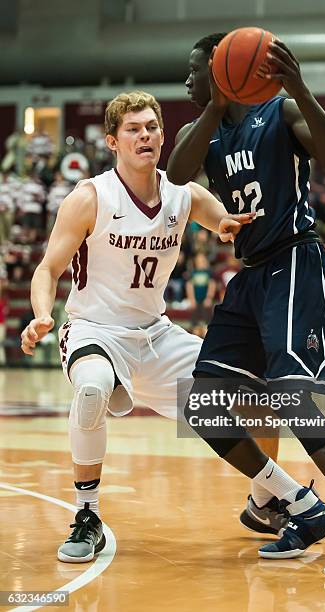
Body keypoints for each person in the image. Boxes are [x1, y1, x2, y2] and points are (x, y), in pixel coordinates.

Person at [167, 33, 325, 579]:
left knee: (288, 396)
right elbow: (179, 175)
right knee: (203, 403)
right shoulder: (198, 131)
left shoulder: (282, 112)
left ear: (222, 70)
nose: (186, 81)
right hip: (250, 276)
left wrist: (298, 86)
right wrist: (215, 105)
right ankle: (302, 506)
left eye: (194, 70)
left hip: (294, 262)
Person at [20, 90, 253, 563]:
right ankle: (87, 515)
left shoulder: (183, 193)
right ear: (112, 141)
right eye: (133, 129)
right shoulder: (90, 196)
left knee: (238, 389)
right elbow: (47, 269)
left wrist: (230, 226)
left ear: (163, 135)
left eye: (152, 127)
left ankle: (281, 496)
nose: (145, 135)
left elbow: (221, 222)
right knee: (91, 390)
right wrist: (41, 313)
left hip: (155, 332)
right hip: (94, 329)